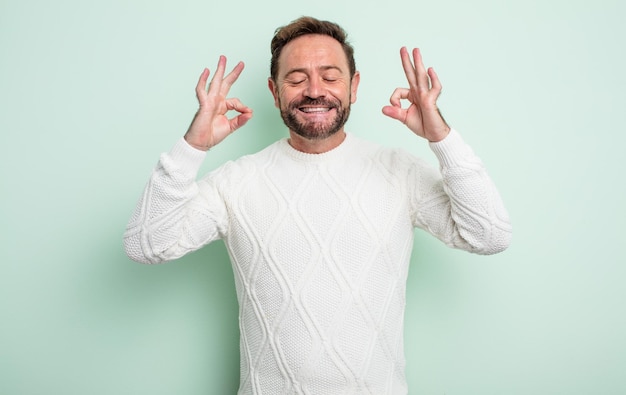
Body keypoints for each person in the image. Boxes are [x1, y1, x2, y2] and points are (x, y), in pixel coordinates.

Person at [124, 16, 511, 395]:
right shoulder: (237, 181)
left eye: (330, 77)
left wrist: (441, 137)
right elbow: (146, 245)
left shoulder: (400, 172)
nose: (314, 90)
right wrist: (192, 148)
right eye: (296, 79)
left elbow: (489, 235)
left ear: (353, 86)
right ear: (274, 92)